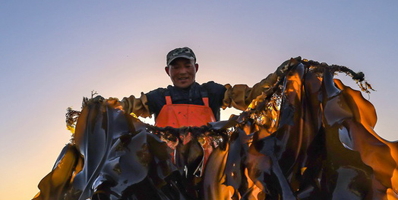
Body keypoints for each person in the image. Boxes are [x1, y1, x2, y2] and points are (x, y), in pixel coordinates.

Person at [116, 47, 279, 128]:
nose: (182, 72)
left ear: (196, 68)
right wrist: (100, 106)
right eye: (176, 67)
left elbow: (250, 97)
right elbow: (127, 107)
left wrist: (278, 76)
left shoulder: (213, 92)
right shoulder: (157, 97)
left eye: (187, 66)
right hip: (166, 170)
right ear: (168, 71)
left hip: (209, 169)